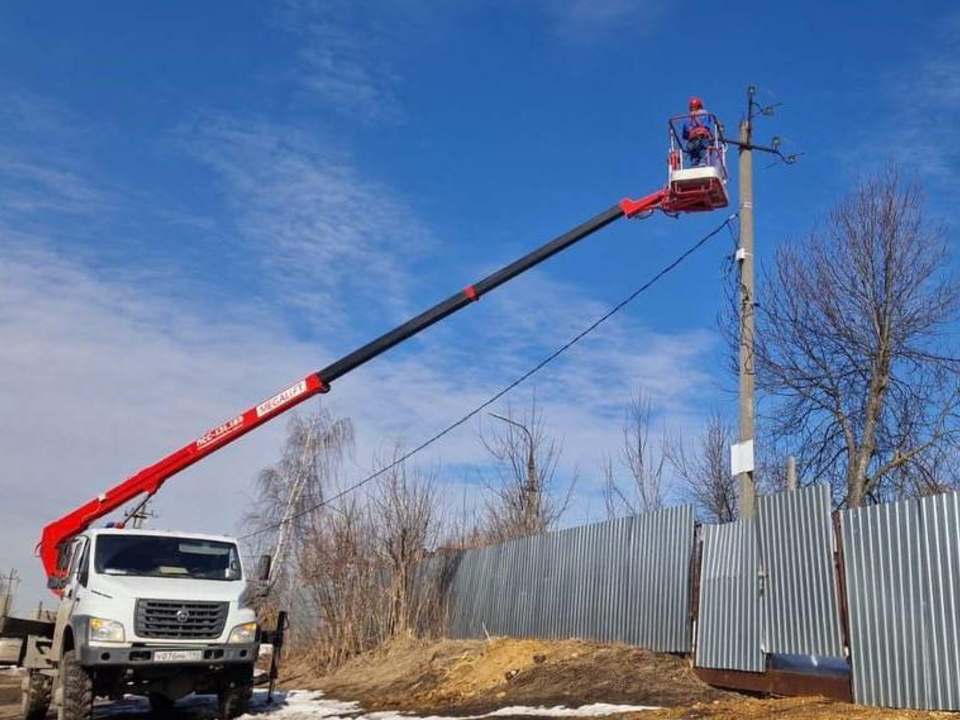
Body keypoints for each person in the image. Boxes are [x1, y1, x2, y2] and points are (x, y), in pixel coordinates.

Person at [681, 96, 714, 168]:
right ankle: (702, 163)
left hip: (691, 142)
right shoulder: (704, 113)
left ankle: (695, 165)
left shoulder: (687, 118)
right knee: (702, 155)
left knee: (694, 159)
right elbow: (706, 126)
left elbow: (684, 135)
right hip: (702, 139)